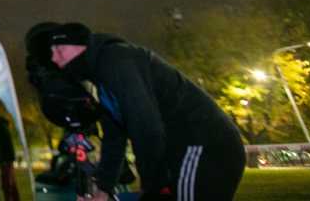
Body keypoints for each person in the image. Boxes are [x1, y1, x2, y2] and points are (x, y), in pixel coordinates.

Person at [26, 22, 245, 201]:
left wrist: (153, 188)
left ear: (80, 46)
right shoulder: (101, 79)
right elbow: (115, 136)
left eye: (59, 50)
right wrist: (104, 189)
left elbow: (147, 128)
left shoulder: (117, 61)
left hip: (203, 145)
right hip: (186, 152)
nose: (54, 58)